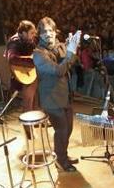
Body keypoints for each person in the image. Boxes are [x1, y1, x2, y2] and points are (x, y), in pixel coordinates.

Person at [32, 17, 82, 172]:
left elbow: (71, 60)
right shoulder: (38, 54)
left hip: (65, 96)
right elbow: (58, 70)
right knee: (61, 130)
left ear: (55, 32)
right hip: (51, 100)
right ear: (39, 34)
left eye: (51, 31)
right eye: (44, 31)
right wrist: (71, 51)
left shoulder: (57, 47)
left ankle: (63, 154)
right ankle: (61, 160)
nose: (48, 34)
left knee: (68, 129)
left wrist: (71, 46)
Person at [6, 20, 39, 111]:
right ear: (24, 33)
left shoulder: (29, 41)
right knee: (28, 102)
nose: (33, 35)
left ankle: (36, 121)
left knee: (35, 99)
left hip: (32, 74)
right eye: (31, 33)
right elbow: (12, 59)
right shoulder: (14, 42)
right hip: (23, 76)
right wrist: (32, 61)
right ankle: (29, 123)